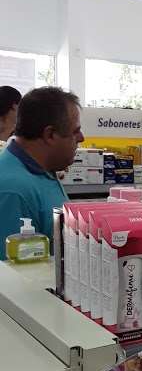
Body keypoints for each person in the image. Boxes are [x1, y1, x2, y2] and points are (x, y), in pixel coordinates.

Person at [0, 86, 84, 259]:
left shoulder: (43, 170)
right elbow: (13, 272)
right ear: (50, 135)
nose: (81, 138)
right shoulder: (13, 190)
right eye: (75, 132)